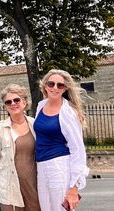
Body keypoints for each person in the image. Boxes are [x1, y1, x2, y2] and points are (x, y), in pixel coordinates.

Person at [34, 69, 90, 211]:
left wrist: (73, 188)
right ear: (45, 85)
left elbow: (78, 150)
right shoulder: (41, 106)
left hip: (59, 167)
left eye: (60, 85)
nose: (55, 88)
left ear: (65, 89)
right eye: (51, 84)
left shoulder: (68, 113)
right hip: (41, 166)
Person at [0, 84, 40, 211]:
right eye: (8, 102)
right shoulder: (0, 129)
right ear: (5, 107)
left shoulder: (35, 124)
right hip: (10, 182)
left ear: (24, 102)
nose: (13, 104)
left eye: (16, 100)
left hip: (34, 181)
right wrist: (5, 166)